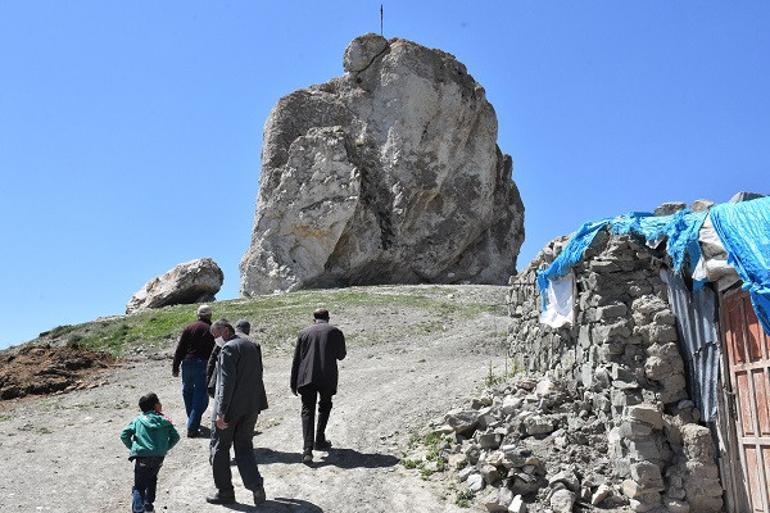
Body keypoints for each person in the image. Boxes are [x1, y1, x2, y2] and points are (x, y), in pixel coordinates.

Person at [207, 319, 268, 506]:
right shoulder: (250, 345)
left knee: (219, 448)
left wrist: (220, 412)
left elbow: (226, 383)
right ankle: (256, 486)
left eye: (216, 336)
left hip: (230, 410)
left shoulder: (229, 349)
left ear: (225, 331)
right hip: (251, 407)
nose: (216, 340)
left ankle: (225, 492)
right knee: (244, 447)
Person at [290, 307, 346, 464]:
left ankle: (307, 450)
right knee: (325, 405)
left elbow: (297, 359)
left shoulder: (304, 333)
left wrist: (293, 382)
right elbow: (341, 355)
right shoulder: (335, 331)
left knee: (307, 410)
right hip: (327, 377)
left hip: (306, 377)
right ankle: (319, 438)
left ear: (313, 318)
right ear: (328, 318)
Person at [120, 393, 180, 513]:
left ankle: (138, 508)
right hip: (158, 458)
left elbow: (124, 435)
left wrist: (133, 447)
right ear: (155, 406)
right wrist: (165, 448)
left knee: (139, 486)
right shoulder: (165, 421)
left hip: (142, 458)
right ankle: (149, 505)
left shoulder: (138, 420)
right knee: (152, 479)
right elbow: (176, 437)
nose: (161, 404)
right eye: (159, 402)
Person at [172, 304, 215, 438]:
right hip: (203, 364)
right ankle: (192, 425)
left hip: (187, 363)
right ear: (210, 315)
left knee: (187, 391)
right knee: (200, 395)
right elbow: (216, 350)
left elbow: (180, 348)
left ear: (198, 315)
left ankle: (192, 419)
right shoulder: (211, 329)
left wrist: (175, 366)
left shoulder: (189, 327)